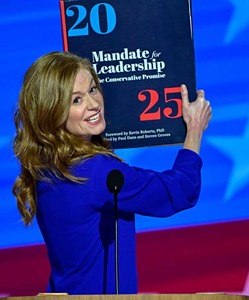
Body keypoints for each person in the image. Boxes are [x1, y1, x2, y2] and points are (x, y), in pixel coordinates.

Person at [12, 51, 212, 295]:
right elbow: (181, 190)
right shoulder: (96, 171)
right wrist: (194, 129)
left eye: (93, 89)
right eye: (76, 100)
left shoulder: (46, 170)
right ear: (51, 112)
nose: (93, 104)